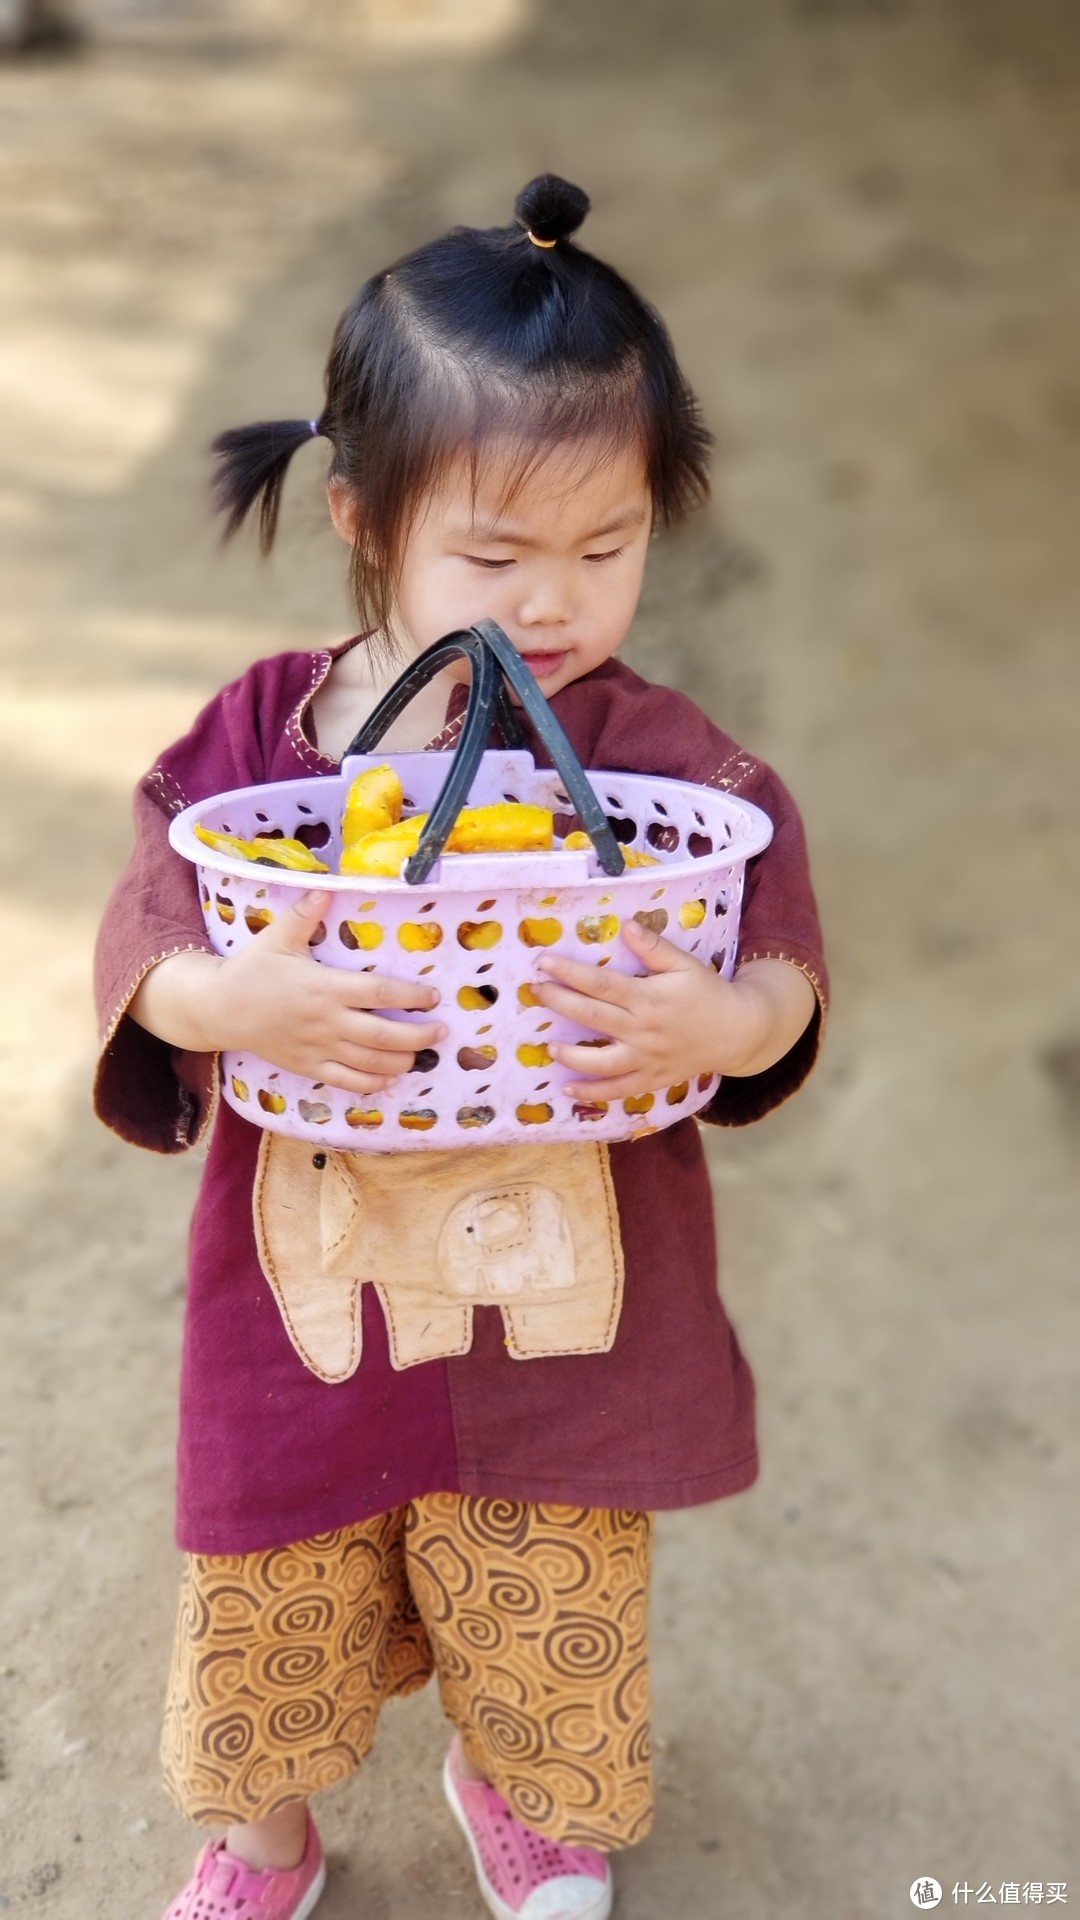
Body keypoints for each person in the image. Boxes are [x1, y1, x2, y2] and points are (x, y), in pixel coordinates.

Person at [94, 174, 828, 1920]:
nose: (556, 604)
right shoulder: (264, 743)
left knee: (546, 1571)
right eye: (494, 557)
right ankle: (261, 1834)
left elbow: (777, 950)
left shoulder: (658, 768)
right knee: (275, 1567)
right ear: (364, 515)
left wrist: (719, 1019)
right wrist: (223, 1004)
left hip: (567, 1286)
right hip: (313, 1293)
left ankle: (518, 1789)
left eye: (611, 544)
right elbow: (157, 926)